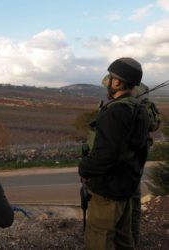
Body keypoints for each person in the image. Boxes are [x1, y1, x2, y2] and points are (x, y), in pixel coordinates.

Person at [79, 57, 150, 250]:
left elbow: (105, 155)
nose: (108, 81)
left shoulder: (115, 111)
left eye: (110, 78)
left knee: (99, 239)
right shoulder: (139, 109)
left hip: (107, 191)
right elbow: (141, 151)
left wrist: (84, 169)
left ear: (117, 82)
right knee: (122, 240)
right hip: (125, 187)